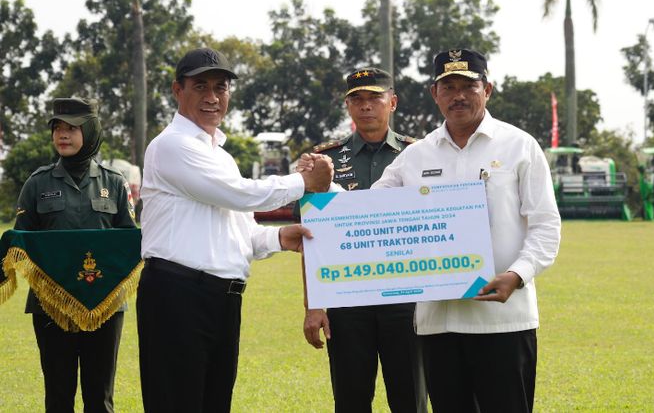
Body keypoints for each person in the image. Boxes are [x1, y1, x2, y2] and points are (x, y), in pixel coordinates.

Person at [137, 47, 333, 413]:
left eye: (221, 87)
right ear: (177, 90)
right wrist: (305, 181)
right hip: (177, 294)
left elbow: (241, 229)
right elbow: (239, 194)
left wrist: (279, 237)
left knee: (214, 402)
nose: (212, 97)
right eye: (200, 86)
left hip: (222, 298)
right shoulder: (171, 146)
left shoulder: (221, 155)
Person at [371, 49, 561, 412]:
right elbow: (371, 211)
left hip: (504, 320)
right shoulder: (416, 156)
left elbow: (545, 224)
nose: (458, 95)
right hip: (438, 323)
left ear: (487, 89)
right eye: (449, 86)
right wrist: (320, 189)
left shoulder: (519, 146)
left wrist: (517, 275)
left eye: (468, 86)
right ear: (434, 94)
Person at [302, 67, 428, 413]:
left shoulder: (421, 154)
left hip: (407, 298)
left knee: (411, 398)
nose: (366, 106)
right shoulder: (325, 160)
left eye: (375, 97)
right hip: (347, 299)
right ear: (348, 106)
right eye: (356, 99)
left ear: (393, 102)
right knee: (351, 398)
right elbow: (313, 235)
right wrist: (314, 305)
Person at [14, 98, 137, 413]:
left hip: (106, 306)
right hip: (50, 306)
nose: (62, 135)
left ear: (91, 130)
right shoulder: (37, 183)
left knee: (100, 397)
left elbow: (129, 241)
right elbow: (21, 241)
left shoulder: (114, 183)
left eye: (71, 127)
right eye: (57, 128)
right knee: (58, 395)